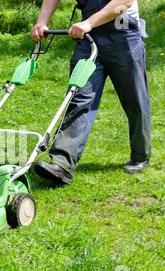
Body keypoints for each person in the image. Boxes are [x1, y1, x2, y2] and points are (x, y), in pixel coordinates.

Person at [31, 0, 151, 185]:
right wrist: (42, 21)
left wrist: (89, 23)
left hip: (123, 33)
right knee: (78, 97)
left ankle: (140, 155)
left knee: (134, 98)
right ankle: (63, 163)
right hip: (89, 37)